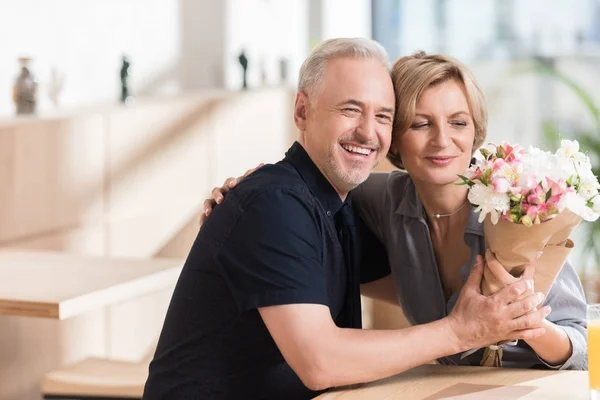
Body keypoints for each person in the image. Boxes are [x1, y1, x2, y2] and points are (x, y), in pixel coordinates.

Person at [144, 39, 548, 400]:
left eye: (384, 116)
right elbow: (321, 362)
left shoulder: (340, 208)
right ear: (302, 112)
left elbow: (423, 283)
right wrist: (461, 330)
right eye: (350, 110)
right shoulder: (274, 205)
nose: (367, 132)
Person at [202, 51, 588, 370]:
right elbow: (310, 189)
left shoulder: (519, 208)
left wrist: (531, 326)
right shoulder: (379, 199)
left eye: (458, 122)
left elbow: (582, 345)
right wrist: (250, 190)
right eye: (420, 123)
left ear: (475, 132)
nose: (442, 140)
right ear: (394, 139)